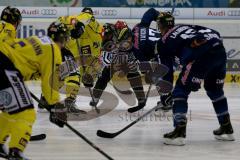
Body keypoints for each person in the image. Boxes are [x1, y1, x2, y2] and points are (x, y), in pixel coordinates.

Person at [156, 12, 234, 145]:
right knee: (215, 91)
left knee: (179, 92)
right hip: (220, 51)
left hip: (200, 57)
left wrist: (166, 93)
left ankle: (179, 132)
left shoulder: (163, 41)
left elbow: (166, 70)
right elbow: (214, 33)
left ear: (160, 25)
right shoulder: (186, 26)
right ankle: (227, 128)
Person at [0, 21, 69, 159]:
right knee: (26, 113)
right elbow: (50, 82)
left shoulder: (37, 40)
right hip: (5, 67)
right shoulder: (53, 48)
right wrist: (55, 105)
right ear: (62, 38)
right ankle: (16, 152)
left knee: (12, 110)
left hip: (4, 64)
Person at [90, 21, 146, 113]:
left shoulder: (127, 36)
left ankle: (141, 98)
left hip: (127, 60)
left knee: (134, 75)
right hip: (115, 60)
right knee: (104, 75)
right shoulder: (108, 38)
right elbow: (104, 55)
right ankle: (95, 97)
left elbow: (134, 51)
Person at [132, 8, 173, 111]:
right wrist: (164, 18)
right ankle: (166, 98)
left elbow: (144, 66)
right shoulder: (139, 26)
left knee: (157, 75)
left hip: (162, 49)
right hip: (164, 43)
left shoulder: (135, 49)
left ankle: (167, 99)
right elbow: (151, 11)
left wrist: (146, 70)